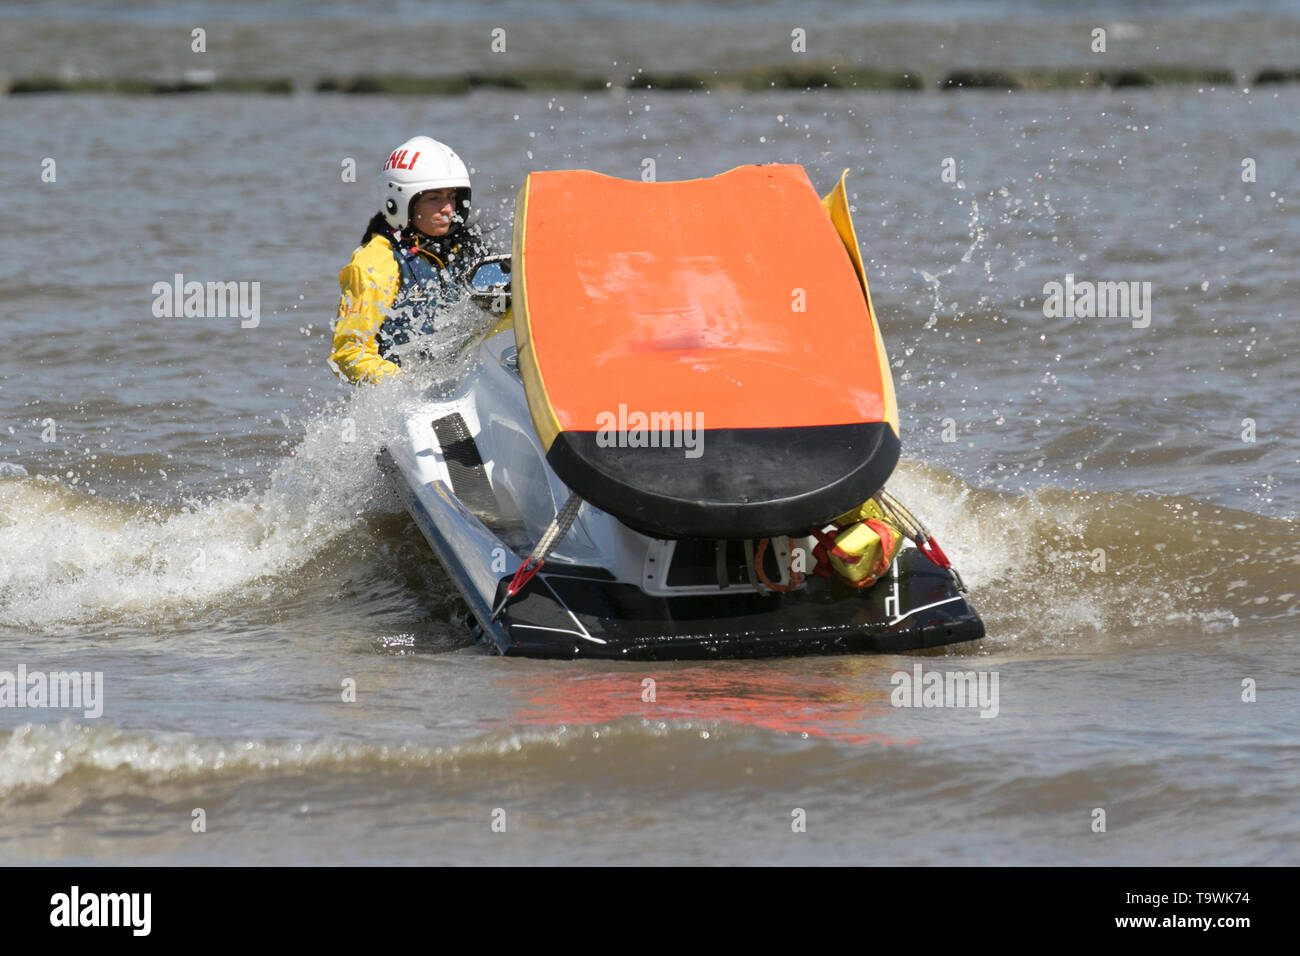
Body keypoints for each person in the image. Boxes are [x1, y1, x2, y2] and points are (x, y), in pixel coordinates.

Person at [329, 135, 490, 384]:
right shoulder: (376, 264)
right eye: (434, 198)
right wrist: (408, 383)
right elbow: (349, 354)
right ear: (400, 202)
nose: (448, 209)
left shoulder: (467, 250)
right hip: (406, 399)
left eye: (451, 197)